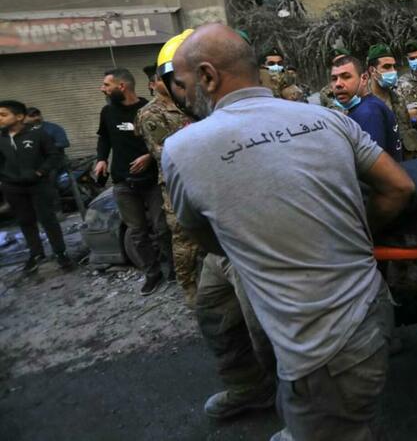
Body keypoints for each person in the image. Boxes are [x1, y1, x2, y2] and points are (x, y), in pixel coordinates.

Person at [162, 23, 415, 440]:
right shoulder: (327, 119)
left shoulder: (182, 150)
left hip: (323, 350)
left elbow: (207, 238)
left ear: (208, 76)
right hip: (370, 309)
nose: (182, 95)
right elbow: (399, 187)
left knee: (336, 424)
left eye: (184, 84)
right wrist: (343, 233)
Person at [154, 30, 279, 423]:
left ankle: (304, 416)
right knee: (216, 315)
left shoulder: (265, 110)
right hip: (218, 246)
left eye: (183, 83)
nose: (181, 93)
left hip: (259, 242)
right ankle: (249, 386)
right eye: (177, 85)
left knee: (272, 334)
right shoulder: (192, 130)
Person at [331, 55, 417, 361]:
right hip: (377, 208)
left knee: (367, 284)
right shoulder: (366, 109)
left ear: (364, 78)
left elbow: (368, 171)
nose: (338, 84)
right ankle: (396, 332)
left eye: (346, 77)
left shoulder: (368, 112)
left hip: (375, 210)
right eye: (334, 78)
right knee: (373, 283)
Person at [94, 67, 171, 296]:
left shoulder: (148, 110)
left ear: (122, 86)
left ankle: (176, 268)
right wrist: (101, 159)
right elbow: (104, 138)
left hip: (151, 180)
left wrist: (149, 156)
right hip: (123, 182)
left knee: (162, 228)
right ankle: (152, 273)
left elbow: (164, 140)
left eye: (106, 85)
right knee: (137, 232)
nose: (102, 89)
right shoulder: (107, 113)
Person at [136, 64, 198, 307]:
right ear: (156, 83)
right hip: (176, 182)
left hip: (202, 175)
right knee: (183, 236)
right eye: (166, 79)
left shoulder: (189, 103)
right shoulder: (150, 113)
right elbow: (163, 152)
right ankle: (189, 285)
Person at [0, 100, 73, 272]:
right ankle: (36, 253)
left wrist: (41, 172)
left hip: (39, 185)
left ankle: (60, 253)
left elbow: (54, 155)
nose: (0, 119)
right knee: (25, 221)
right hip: (13, 187)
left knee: (48, 219)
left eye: (3, 115)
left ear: (19, 117)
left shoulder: (37, 134)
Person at [367, 43, 417, 160]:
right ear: (372, 71)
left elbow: (410, 123)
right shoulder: (362, 101)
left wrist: (412, 119)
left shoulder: (398, 97)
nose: (393, 71)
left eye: (394, 66)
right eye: (387, 67)